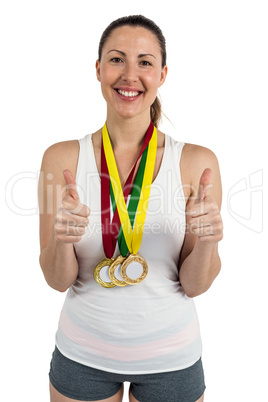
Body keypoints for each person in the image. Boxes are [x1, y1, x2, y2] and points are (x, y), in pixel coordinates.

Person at [38, 15, 223, 402]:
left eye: (145, 62)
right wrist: (61, 240)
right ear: (99, 69)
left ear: (163, 73)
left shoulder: (195, 162)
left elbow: (195, 285)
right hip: (81, 354)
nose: (129, 75)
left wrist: (208, 242)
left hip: (172, 359)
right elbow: (58, 280)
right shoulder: (61, 159)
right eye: (117, 59)